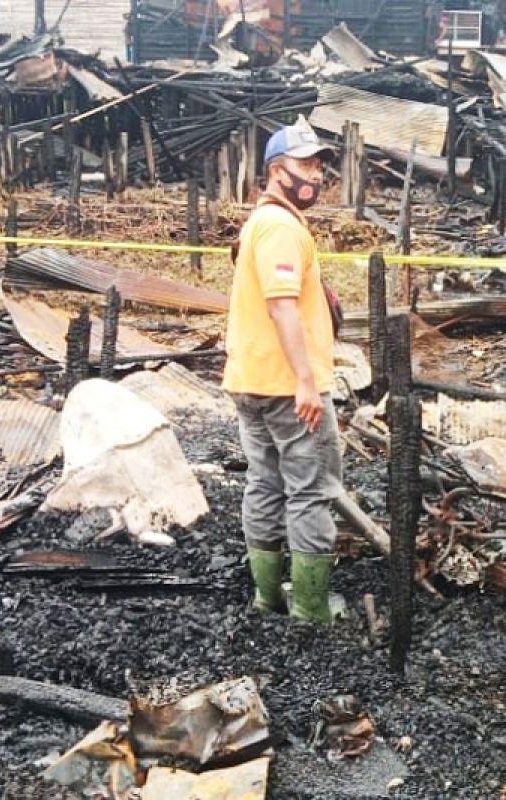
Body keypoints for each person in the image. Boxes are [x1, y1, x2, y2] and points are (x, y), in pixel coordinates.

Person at [222, 122, 343, 624]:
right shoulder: (281, 228)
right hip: (286, 387)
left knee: (265, 484)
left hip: (250, 381)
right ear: (277, 170)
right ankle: (312, 610)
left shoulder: (262, 223)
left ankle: (268, 596)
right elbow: (281, 306)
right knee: (311, 490)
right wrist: (305, 381)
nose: (315, 176)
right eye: (305, 165)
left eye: (318, 165)